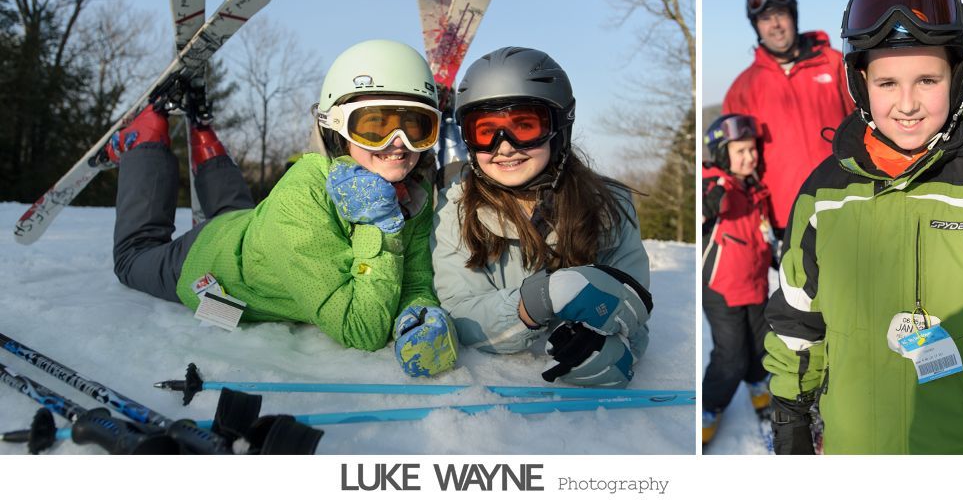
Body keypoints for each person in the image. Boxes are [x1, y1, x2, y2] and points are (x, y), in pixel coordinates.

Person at [107, 39, 457, 377]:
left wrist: (419, 313)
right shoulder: (302, 195)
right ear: (335, 125)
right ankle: (144, 141)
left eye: (416, 126)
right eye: (374, 126)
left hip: (249, 232)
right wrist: (378, 224)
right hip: (208, 262)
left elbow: (413, 278)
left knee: (236, 213)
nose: (398, 143)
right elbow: (360, 328)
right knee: (132, 258)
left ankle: (203, 132)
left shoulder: (414, 190)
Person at [764, 0, 963, 454]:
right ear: (861, 82)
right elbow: (797, 319)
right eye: (888, 82)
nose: (907, 103)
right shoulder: (824, 195)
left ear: (957, 78)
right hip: (856, 446)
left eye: (927, 79)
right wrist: (790, 415)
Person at [431, 46, 653, 388]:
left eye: (524, 125)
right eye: (486, 131)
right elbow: (459, 312)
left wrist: (612, 347)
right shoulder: (456, 208)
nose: (504, 146)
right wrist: (533, 303)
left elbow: (630, 308)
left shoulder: (609, 205)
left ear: (559, 126)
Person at [723, 0, 855, 235]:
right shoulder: (743, 88)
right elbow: (733, 160)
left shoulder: (834, 64)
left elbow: (868, 121)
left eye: (780, 15)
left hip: (846, 201)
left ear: (793, 16)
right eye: (765, 19)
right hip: (787, 215)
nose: (775, 25)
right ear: (756, 27)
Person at [700, 114, 775, 445]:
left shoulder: (755, 187)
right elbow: (705, 203)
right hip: (722, 290)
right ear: (721, 154)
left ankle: (759, 386)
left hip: (756, 285)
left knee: (760, 346)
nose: (750, 157)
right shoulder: (715, 184)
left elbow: (762, 232)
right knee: (731, 357)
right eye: (740, 151)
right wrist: (709, 198)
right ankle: (710, 406)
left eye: (752, 149)